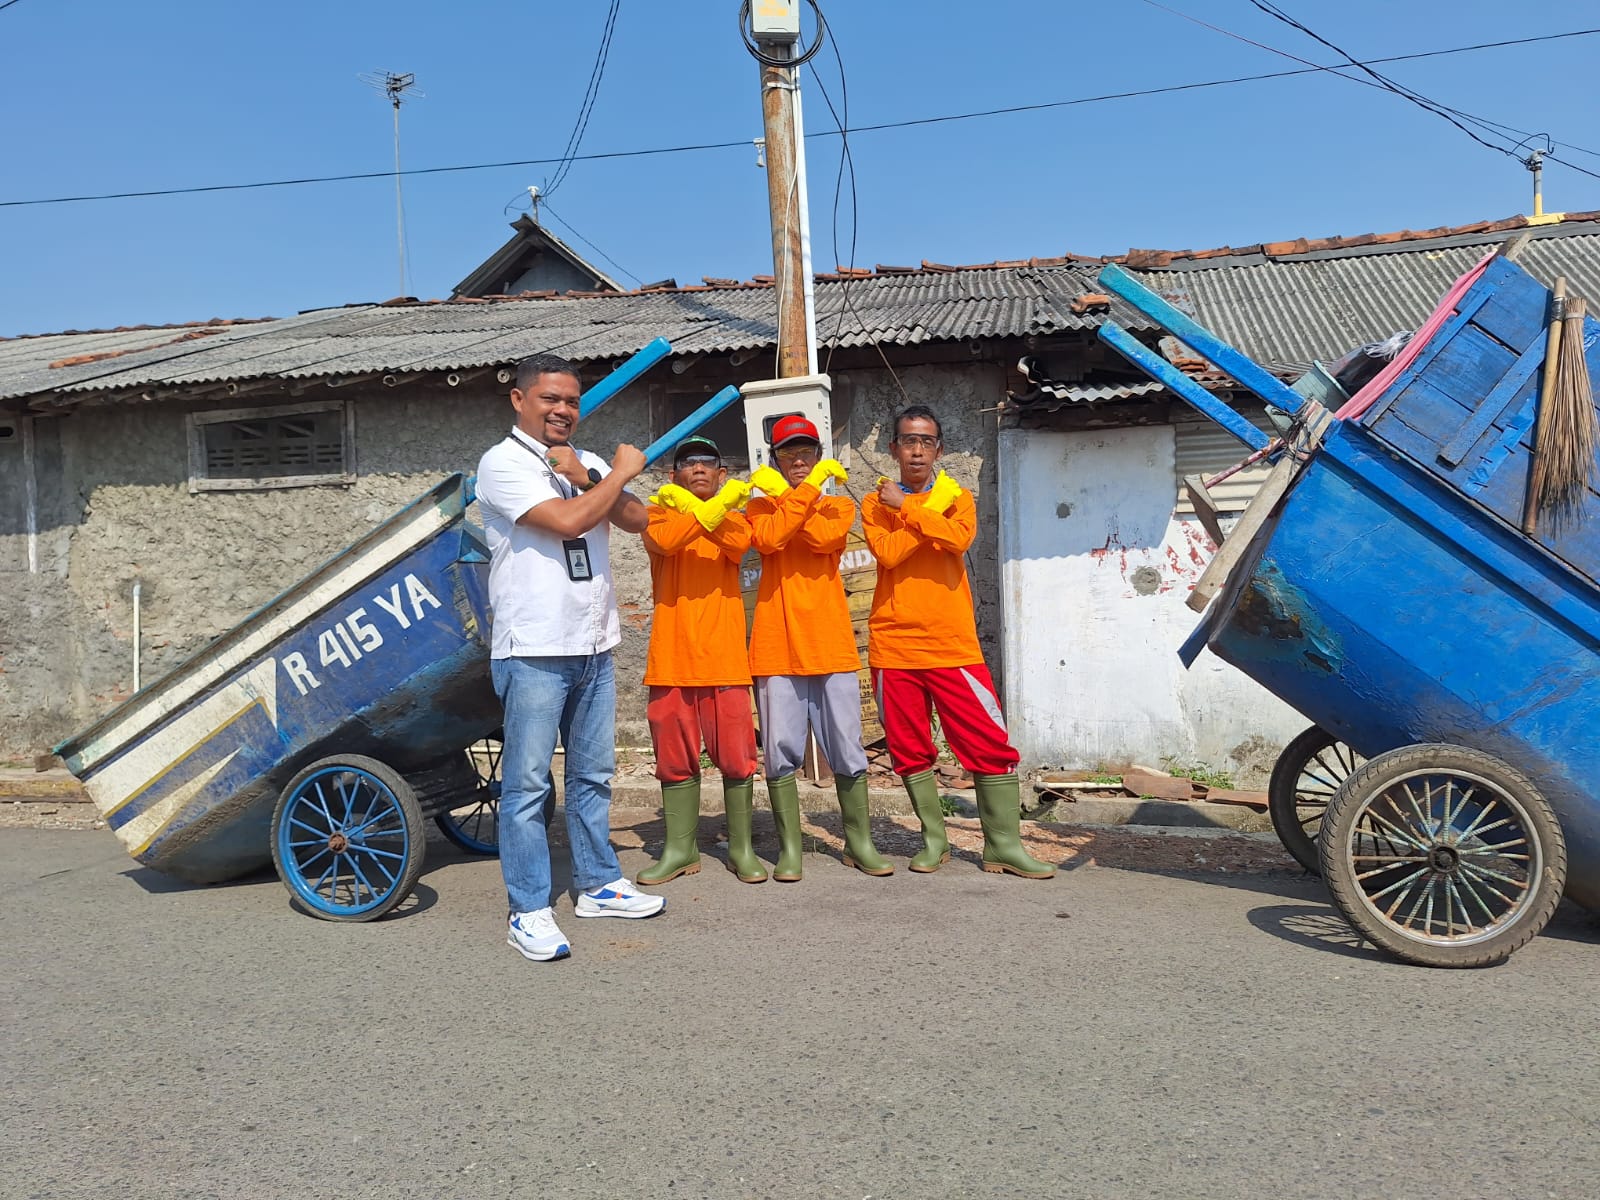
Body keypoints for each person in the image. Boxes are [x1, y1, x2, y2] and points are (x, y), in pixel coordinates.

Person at [474, 352, 667, 963]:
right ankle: (528, 909)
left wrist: (595, 475)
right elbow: (564, 521)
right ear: (520, 401)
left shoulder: (581, 464)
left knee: (593, 775)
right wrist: (620, 472)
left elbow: (638, 520)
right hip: (534, 647)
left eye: (571, 401)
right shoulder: (502, 463)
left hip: (592, 642)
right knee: (528, 786)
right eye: (549, 399)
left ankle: (597, 884)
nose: (562, 410)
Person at [860, 404, 1055, 879]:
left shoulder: (958, 497)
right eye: (909, 440)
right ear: (894, 449)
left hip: (952, 643)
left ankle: (1003, 846)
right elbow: (887, 553)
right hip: (895, 644)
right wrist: (928, 515)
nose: (918, 450)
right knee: (909, 748)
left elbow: (959, 540)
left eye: (927, 441)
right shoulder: (873, 503)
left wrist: (907, 508)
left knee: (988, 742)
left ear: (939, 448)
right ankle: (934, 841)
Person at [746, 415, 892, 881]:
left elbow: (821, 538)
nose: (799, 460)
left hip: (830, 643)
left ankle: (858, 842)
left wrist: (800, 496)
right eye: (788, 453)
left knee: (848, 747)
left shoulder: (838, 509)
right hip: (776, 645)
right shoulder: (758, 510)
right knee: (779, 749)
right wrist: (803, 495)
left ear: (819, 456)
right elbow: (770, 540)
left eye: (807, 452)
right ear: (775, 458)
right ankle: (791, 848)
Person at [634, 435, 766, 885]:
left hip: (726, 658)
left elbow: (737, 545)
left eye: (709, 462)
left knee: (737, 759)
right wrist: (702, 511)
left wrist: (713, 510)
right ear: (674, 476)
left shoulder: (737, 518)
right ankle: (679, 849)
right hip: (671, 658)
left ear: (722, 474)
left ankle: (742, 848)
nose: (699, 469)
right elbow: (666, 542)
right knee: (673, 760)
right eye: (688, 463)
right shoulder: (656, 514)